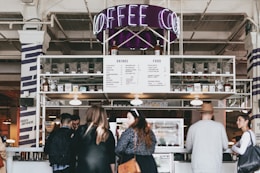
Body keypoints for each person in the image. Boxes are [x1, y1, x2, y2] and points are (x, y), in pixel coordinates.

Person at [186, 102, 229, 173]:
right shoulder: (219, 127)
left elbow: (188, 148)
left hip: (198, 166)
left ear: (201, 114)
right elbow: (225, 146)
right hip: (214, 165)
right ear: (212, 114)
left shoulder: (193, 127)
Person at [115, 108, 158, 173]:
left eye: (129, 118)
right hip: (149, 163)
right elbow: (152, 148)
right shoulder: (149, 132)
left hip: (132, 163)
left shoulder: (130, 131)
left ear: (136, 119)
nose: (127, 121)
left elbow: (119, 149)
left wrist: (124, 155)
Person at [75, 105, 115, 173]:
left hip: (84, 168)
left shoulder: (81, 130)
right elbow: (112, 157)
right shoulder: (108, 134)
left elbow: (74, 150)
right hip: (103, 169)